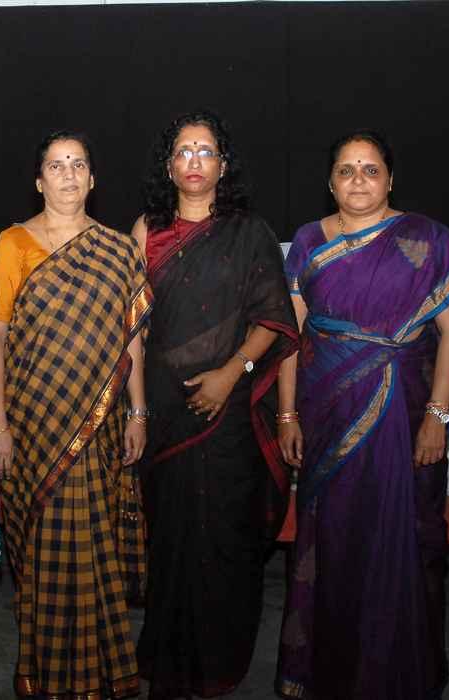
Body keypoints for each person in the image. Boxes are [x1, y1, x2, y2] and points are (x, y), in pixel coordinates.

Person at [275, 129, 449, 700]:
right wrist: (287, 415)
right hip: (324, 412)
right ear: (330, 182)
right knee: (332, 537)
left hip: (403, 413)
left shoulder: (427, 239)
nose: (358, 180)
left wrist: (437, 416)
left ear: (390, 179)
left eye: (371, 170)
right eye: (346, 170)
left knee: (400, 537)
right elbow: (290, 336)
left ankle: (397, 673)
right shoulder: (308, 241)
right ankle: (328, 669)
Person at [132, 110, 298, 699]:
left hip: (229, 414)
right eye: (184, 151)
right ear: (169, 165)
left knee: (223, 537)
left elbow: (273, 318)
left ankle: (218, 663)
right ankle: (168, 656)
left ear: (223, 166)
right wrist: (137, 410)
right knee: (170, 538)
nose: (194, 161)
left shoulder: (249, 232)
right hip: (165, 411)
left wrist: (231, 374)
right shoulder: (146, 230)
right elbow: (133, 328)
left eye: (206, 151)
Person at [0, 130, 152, 699]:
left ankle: (100, 671)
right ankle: (45, 671)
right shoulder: (13, 244)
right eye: (56, 166)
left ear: (92, 178)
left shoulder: (118, 249)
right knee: (44, 550)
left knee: (93, 543)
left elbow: (131, 340)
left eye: (77, 164)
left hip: (100, 424)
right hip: (33, 423)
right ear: (39, 181)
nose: (67, 175)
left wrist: (138, 412)